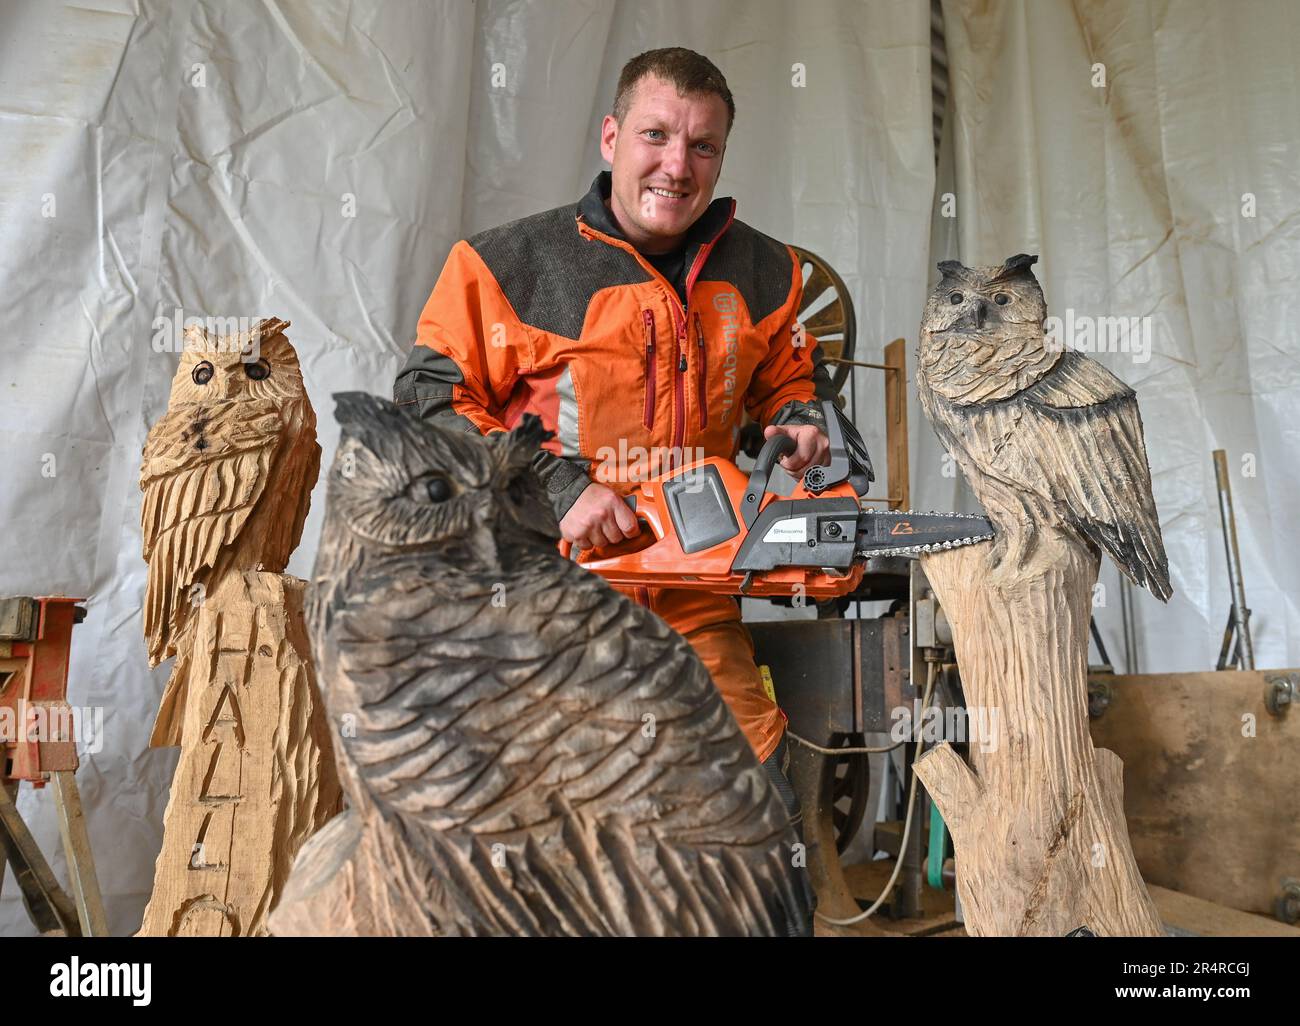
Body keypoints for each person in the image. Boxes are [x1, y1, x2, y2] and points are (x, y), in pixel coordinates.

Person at [394, 47, 836, 911]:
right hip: (546, 605)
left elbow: (786, 375)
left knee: (754, 820)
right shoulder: (506, 266)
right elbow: (425, 403)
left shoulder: (765, 271)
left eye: (702, 146)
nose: (678, 164)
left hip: (695, 596)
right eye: (656, 135)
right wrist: (560, 489)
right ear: (610, 136)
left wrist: (800, 419)